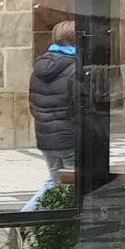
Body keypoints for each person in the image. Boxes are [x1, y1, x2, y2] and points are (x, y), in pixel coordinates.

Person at [29, 18, 78, 183]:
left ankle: (36, 203)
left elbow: (32, 105)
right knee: (71, 185)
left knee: (55, 182)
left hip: (46, 138)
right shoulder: (75, 68)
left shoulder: (38, 69)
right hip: (69, 138)